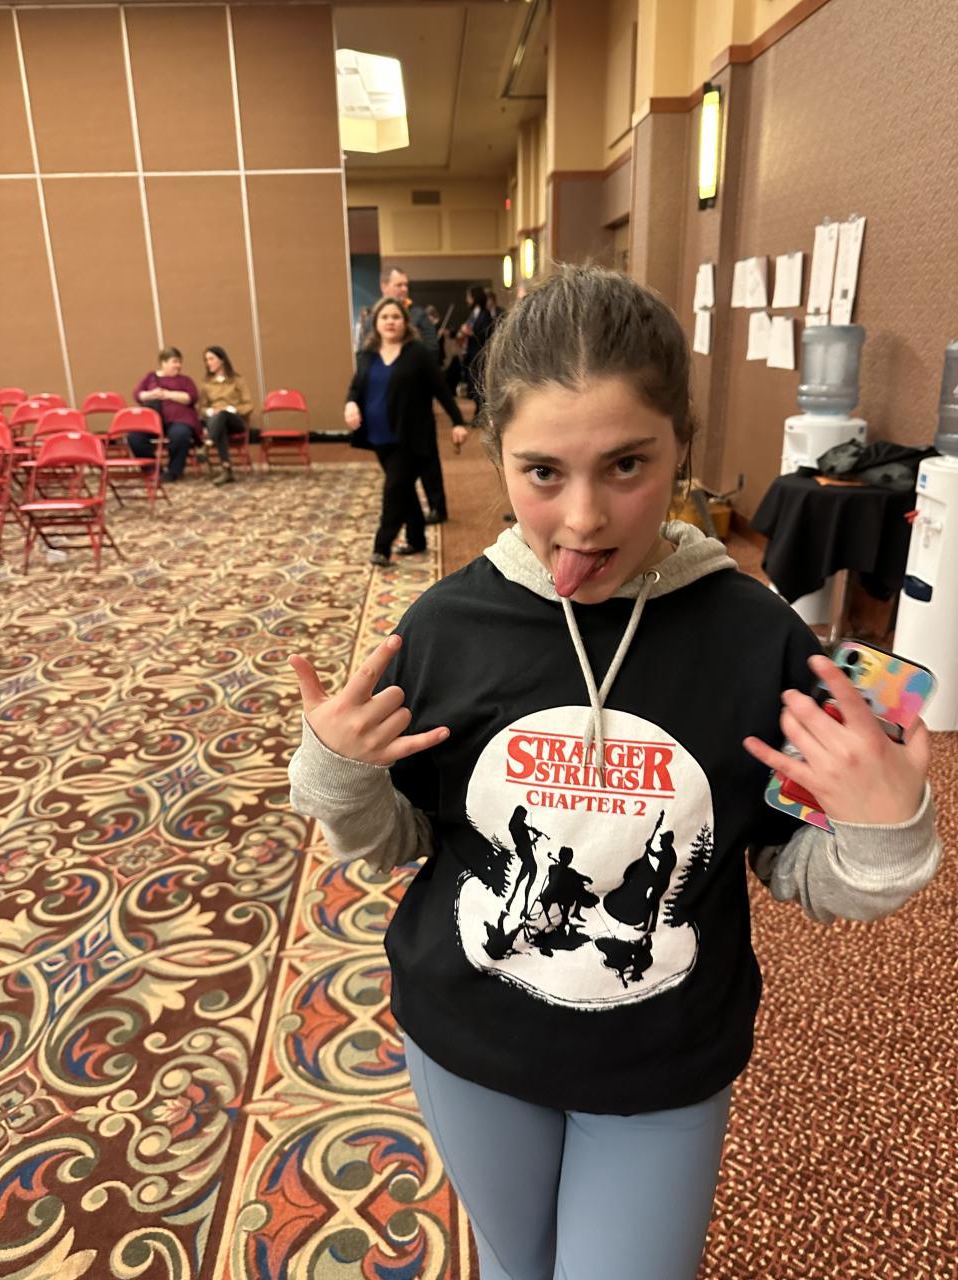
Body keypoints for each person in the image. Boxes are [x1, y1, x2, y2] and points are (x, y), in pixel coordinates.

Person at [288, 266, 940, 1280]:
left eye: (626, 465)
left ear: (682, 445)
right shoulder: (448, 629)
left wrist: (884, 830)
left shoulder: (757, 639)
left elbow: (800, 870)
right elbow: (400, 840)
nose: (584, 518)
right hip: (468, 1039)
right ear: (496, 454)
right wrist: (338, 772)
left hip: (664, 1059)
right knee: (517, 1264)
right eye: (542, 472)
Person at [344, 295, 467, 566]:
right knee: (404, 489)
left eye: (396, 317)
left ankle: (382, 546)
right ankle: (416, 538)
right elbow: (356, 387)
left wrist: (458, 421)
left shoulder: (417, 353)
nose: (390, 322)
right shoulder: (366, 355)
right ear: (376, 322)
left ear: (405, 322)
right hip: (378, 436)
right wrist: (350, 404)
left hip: (411, 436)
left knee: (394, 489)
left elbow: (440, 389)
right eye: (385, 317)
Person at [131, 347, 202, 482]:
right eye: (175, 362)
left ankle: (174, 471)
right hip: (154, 421)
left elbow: (191, 397)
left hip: (179, 420)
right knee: (134, 436)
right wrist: (153, 394)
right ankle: (153, 469)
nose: (178, 365)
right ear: (163, 363)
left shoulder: (185, 380)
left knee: (180, 434)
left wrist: (168, 394)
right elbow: (138, 395)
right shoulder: (150, 377)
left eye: (179, 362)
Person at [198, 345, 254, 486]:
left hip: (235, 420)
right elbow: (202, 408)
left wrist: (230, 409)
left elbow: (248, 405)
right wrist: (210, 411)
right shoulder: (206, 384)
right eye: (206, 360)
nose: (208, 363)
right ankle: (227, 470)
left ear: (222, 360)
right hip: (215, 422)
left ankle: (208, 444)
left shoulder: (237, 380)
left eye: (211, 359)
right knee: (219, 423)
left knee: (222, 415)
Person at [459, 284, 493, 415]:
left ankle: (480, 412)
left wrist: (470, 332)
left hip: (479, 354)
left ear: (475, 298)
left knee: (479, 384)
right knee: (472, 384)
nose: (467, 300)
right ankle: (478, 411)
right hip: (471, 353)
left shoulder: (485, 314)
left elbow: (486, 334)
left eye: (469, 297)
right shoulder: (474, 314)